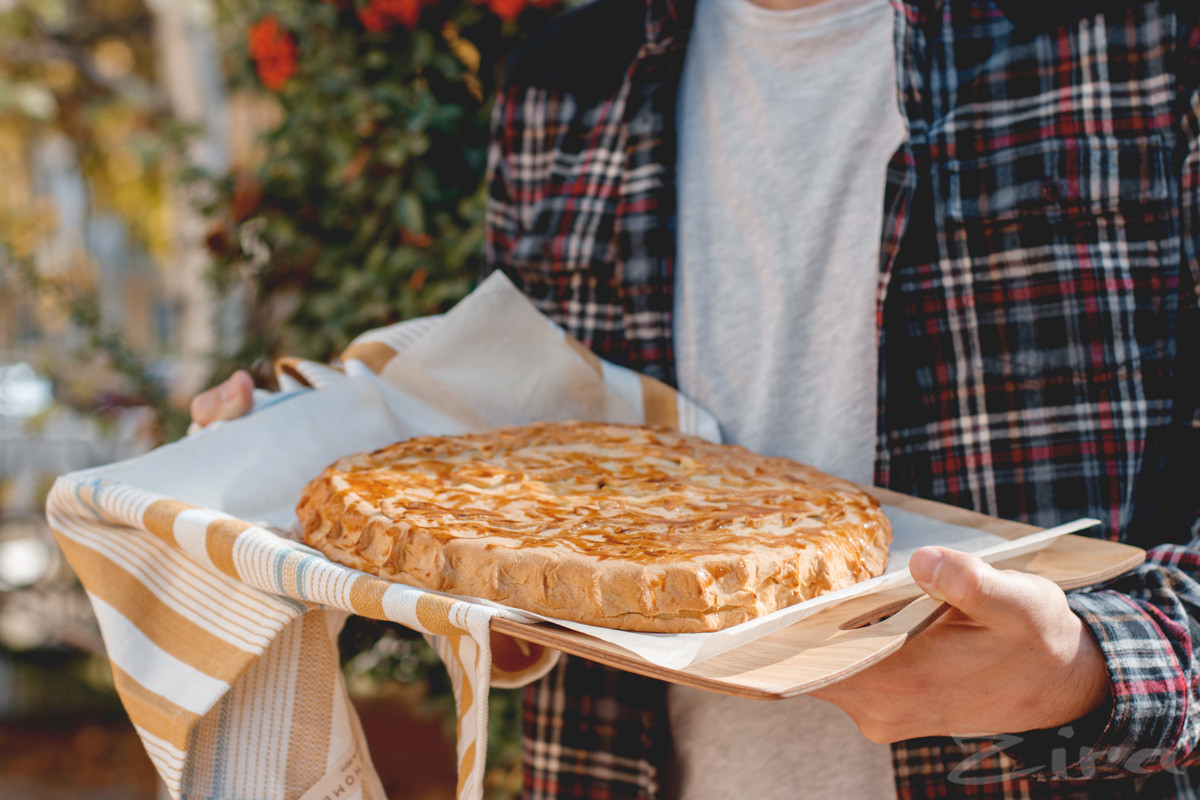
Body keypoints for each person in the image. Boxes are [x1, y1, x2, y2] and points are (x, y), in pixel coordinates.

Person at [194, 0, 1200, 796]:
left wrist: (1099, 666)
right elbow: (547, 510)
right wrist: (337, 497)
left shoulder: (1144, 39)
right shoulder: (562, 83)